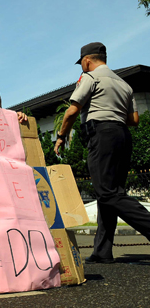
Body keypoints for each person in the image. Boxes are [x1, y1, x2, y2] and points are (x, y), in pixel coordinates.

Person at [54, 42, 150, 263]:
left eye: (82, 64)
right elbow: (134, 120)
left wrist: (60, 136)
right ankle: (102, 251)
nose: (82, 67)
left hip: (102, 135)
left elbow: (72, 111)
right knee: (110, 193)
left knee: (106, 192)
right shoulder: (124, 85)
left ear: (87, 60)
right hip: (122, 136)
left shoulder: (90, 78)